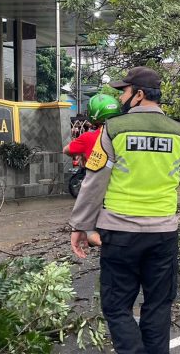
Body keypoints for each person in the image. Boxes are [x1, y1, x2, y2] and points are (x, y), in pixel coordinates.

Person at [69, 66, 180, 354]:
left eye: (124, 91)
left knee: (116, 305)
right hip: (162, 235)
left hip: (120, 234)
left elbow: (95, 181)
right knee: (159, 305)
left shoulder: (114, 129)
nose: (121, 97)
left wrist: (81, 225)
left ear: (139, 94)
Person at [64, 94, 121, 246]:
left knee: (91, 231)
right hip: (121, 196)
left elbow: (67, 150)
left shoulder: (89, 136)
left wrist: (78, 225)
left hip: (98, 189)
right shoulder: (124, 136)